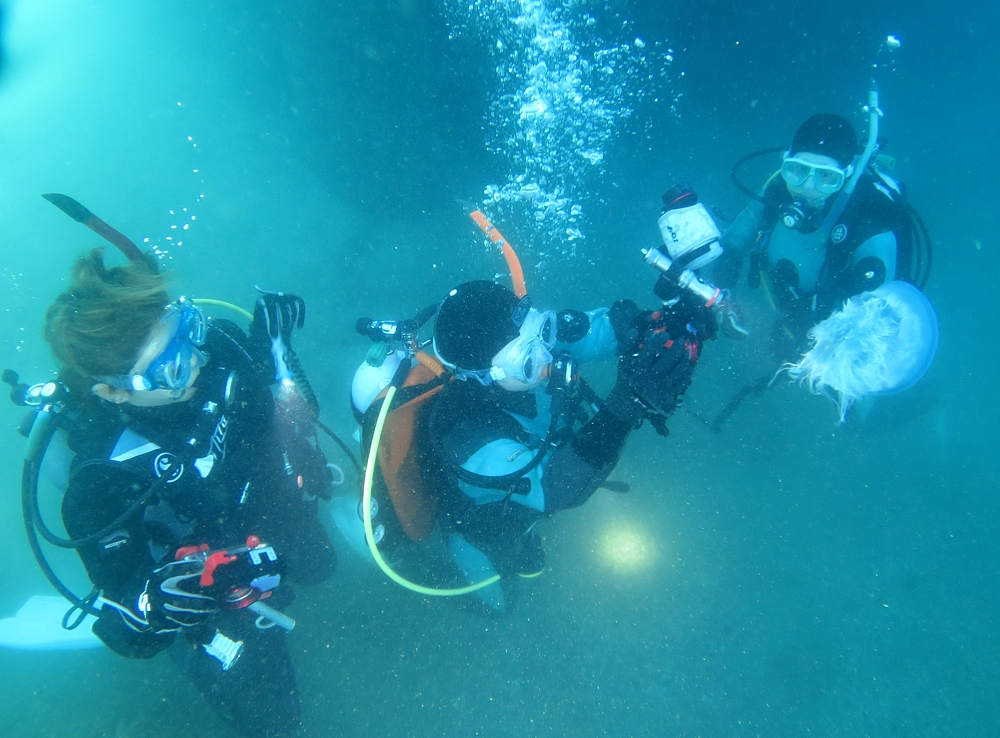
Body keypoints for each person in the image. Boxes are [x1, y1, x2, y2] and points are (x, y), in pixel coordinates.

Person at [42, 248, 335, 738]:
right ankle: (200, 657)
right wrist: (155, 605)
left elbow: (283, 415)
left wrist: (276, 354)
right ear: (112, 391)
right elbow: (126, 631)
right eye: (172, 367)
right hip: (207, 577)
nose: (196, 361)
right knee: (274, 721)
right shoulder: (100, 482)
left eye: (187, 330)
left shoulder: (218, 346)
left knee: (320, 568)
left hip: (264, 503)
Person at [351, 276, 716, 616]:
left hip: (540, 439)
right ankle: (425, 554)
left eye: (543, 331)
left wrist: (658, 325)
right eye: (529, 360)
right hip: (486, 515)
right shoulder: (463, 438)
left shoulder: (521, 341)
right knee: (503, 601)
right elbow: (557, 487)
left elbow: (594, 333)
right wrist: (624, 406)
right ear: (485, 375)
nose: (547, 357)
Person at [715, 112, 924, 359]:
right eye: (798, 170)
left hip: (837, 335)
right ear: (786, 164)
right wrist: (724, 298)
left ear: (847, 175)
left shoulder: (871, 215)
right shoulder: (778, 190)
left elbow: (880, 314)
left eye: (826, 176)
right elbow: (732, 245)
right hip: (791, 309)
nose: (808, 187)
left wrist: (822, 337)